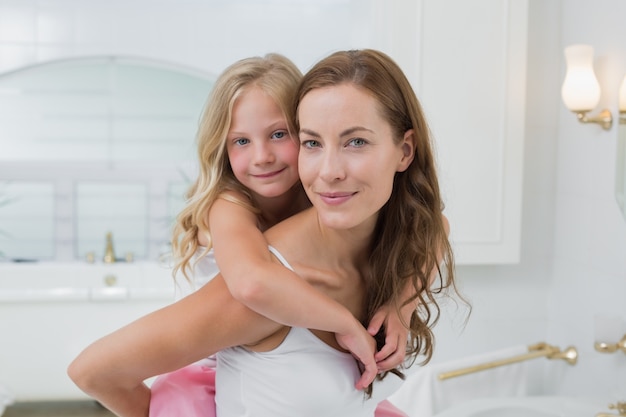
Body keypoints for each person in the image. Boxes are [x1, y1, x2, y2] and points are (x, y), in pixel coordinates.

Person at [68, 48, 457, 416]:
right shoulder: (232, 212)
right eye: (314, 143)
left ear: (405, 151)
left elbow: (434, 227)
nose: (329, 171)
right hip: (205, 370)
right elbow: (251, 282)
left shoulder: (383, 236)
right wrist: (343, 322)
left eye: (355, 141)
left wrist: (402, 307)